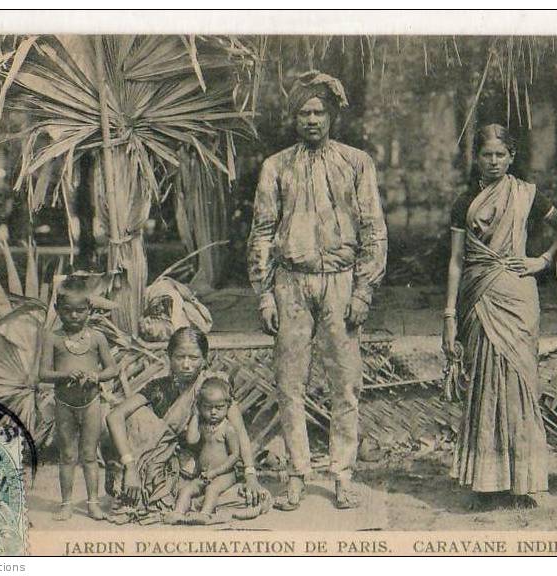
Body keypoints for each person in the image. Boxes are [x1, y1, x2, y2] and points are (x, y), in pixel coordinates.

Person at [247, 70, 387, 510]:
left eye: (319, 112)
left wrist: (364, 290)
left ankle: (342, 473)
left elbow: (373, 231)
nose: (311, 120)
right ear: (293, 118)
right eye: (304, 112)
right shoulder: (276, 166)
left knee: (344, 384)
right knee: (290, 384)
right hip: (291, 281)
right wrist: (265, 294)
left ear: (332, 116)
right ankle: (297, 474)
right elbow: (262, 232)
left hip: (342, 282)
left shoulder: (356, 162)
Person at [442, 124, 557, 508]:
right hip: (478, 296)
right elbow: (456, 262)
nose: (493, 162)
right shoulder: (464, 201)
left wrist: (541, 261)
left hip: (518, 297)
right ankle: (486, 482)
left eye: (500, 155)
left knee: (519, 385)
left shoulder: (527, 195)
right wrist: (448, 315)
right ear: (476, 157)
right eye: (486, 155)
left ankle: (522, 481)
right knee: (483, 385)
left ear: (511, 157)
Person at [105, 327, 268, 523]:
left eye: (194, 358)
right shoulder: (158, 388)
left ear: (205, 359)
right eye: (180, 357)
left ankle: (174, 500)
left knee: (236, 493)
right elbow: (115, 416)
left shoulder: (213, 388)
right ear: (169, 356)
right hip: (164, 464)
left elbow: (239, 431)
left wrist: (250, 475)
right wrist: (130, 467)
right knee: (137, 417)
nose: (186, 365)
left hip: (205, 468)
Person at [39, 276, 119, 521]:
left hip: (91, 404)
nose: (74, 316)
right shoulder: (52, 338)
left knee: (89, 454)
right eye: (67, 310)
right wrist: (64, 375)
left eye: (80, 310)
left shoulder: (97, 338)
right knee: (67, 455)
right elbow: (42, 374)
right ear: (57, 309)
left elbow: (112, 369)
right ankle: (66, 504)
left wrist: (96, 376)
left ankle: (93, 503)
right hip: (64, 404)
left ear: (90, 309)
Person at [169, 377, 239, 523]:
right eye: (207, 407)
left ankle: (205, 515)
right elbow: (192, 440)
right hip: (204, 474)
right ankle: (178, 513)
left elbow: (234, 456)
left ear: (228, 406)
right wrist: (195, 415)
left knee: (212, 489)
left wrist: (215, 472)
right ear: (200, 407)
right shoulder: (202, 426)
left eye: (219, 408)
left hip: (224, 474)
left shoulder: (228, 429)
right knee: (186, 490)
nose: (213, 412)